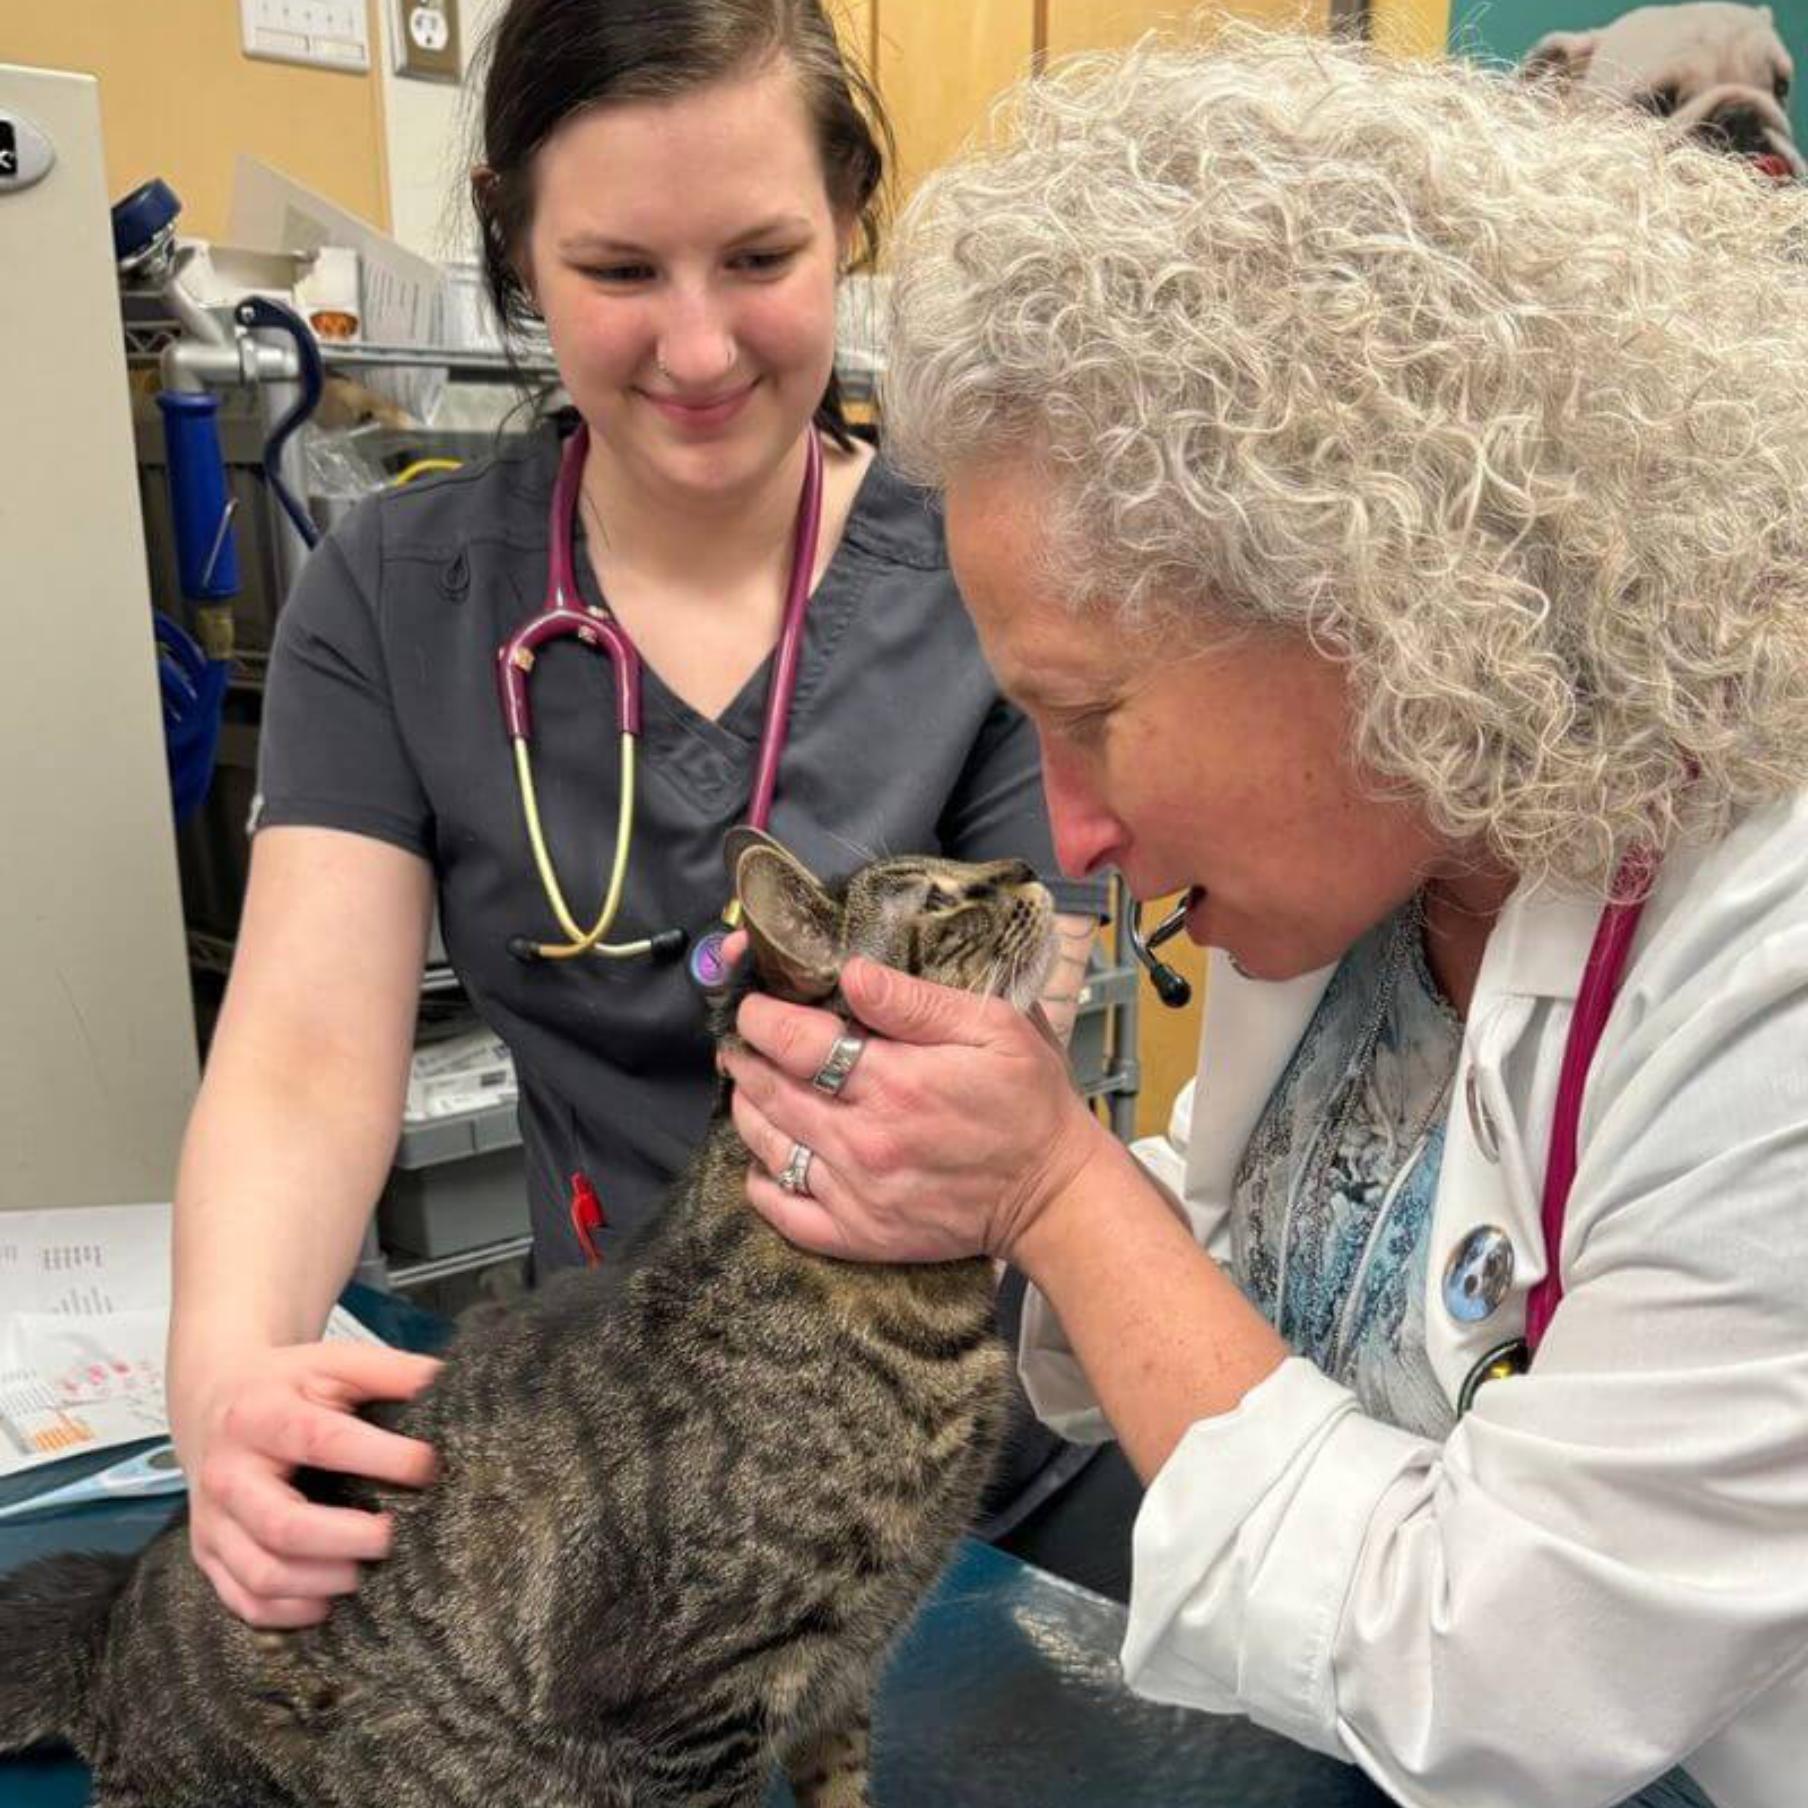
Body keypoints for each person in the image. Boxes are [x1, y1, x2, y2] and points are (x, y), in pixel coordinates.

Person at [722, 30, 1808, 1808]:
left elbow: (1496, 1678)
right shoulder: (1366, 864)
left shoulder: (1766, 958)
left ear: (1378, 596)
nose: (1072, 829)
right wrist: (978, 1189)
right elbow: (1255, 1294)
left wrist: (1053, 1192)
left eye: (1088, 714)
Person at [167, 0, 1106, 1633]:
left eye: (759, 259)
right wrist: (230, 1408)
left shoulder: (989, 576)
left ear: (851, 221)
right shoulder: (394, 597)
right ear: (518, 255)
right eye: (618, 272)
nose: (696, 347)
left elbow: (1015, 1044)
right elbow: (308, 1059)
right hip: (615, 1467)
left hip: (965, 1467)